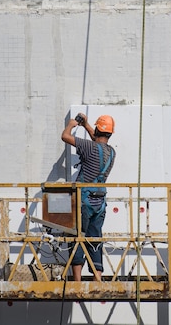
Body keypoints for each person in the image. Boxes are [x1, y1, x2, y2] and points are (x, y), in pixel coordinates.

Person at [61, 112, 116, 281]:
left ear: (98, 130)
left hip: (83, 202)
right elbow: (97, 141)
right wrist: (86, 125)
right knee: (95, 237)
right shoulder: (111, 152)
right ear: (110, 133)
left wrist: (71, 124)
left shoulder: (88, 147)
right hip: (99, 202)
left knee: (77, 236)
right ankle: (97, 277)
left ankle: (77, 280)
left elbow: (65, 137)